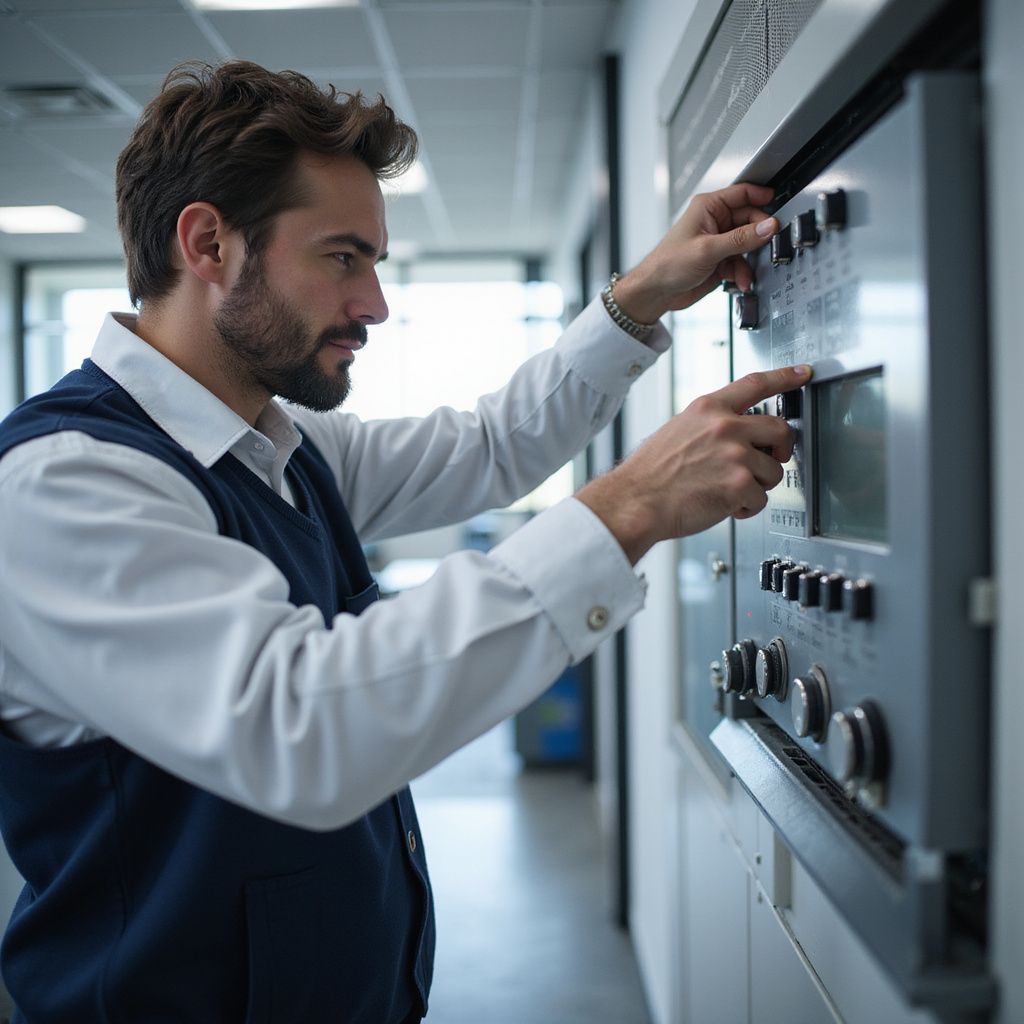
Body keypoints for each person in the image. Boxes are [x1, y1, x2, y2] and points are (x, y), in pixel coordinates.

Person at [0, 61, 802, 1023]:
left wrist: (636, 302)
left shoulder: (276, 446)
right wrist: (630, 506)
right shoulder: (67, 484)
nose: (374, 303)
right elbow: (298, 729)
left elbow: (490, 448)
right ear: (208, 243)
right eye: (343, 258)